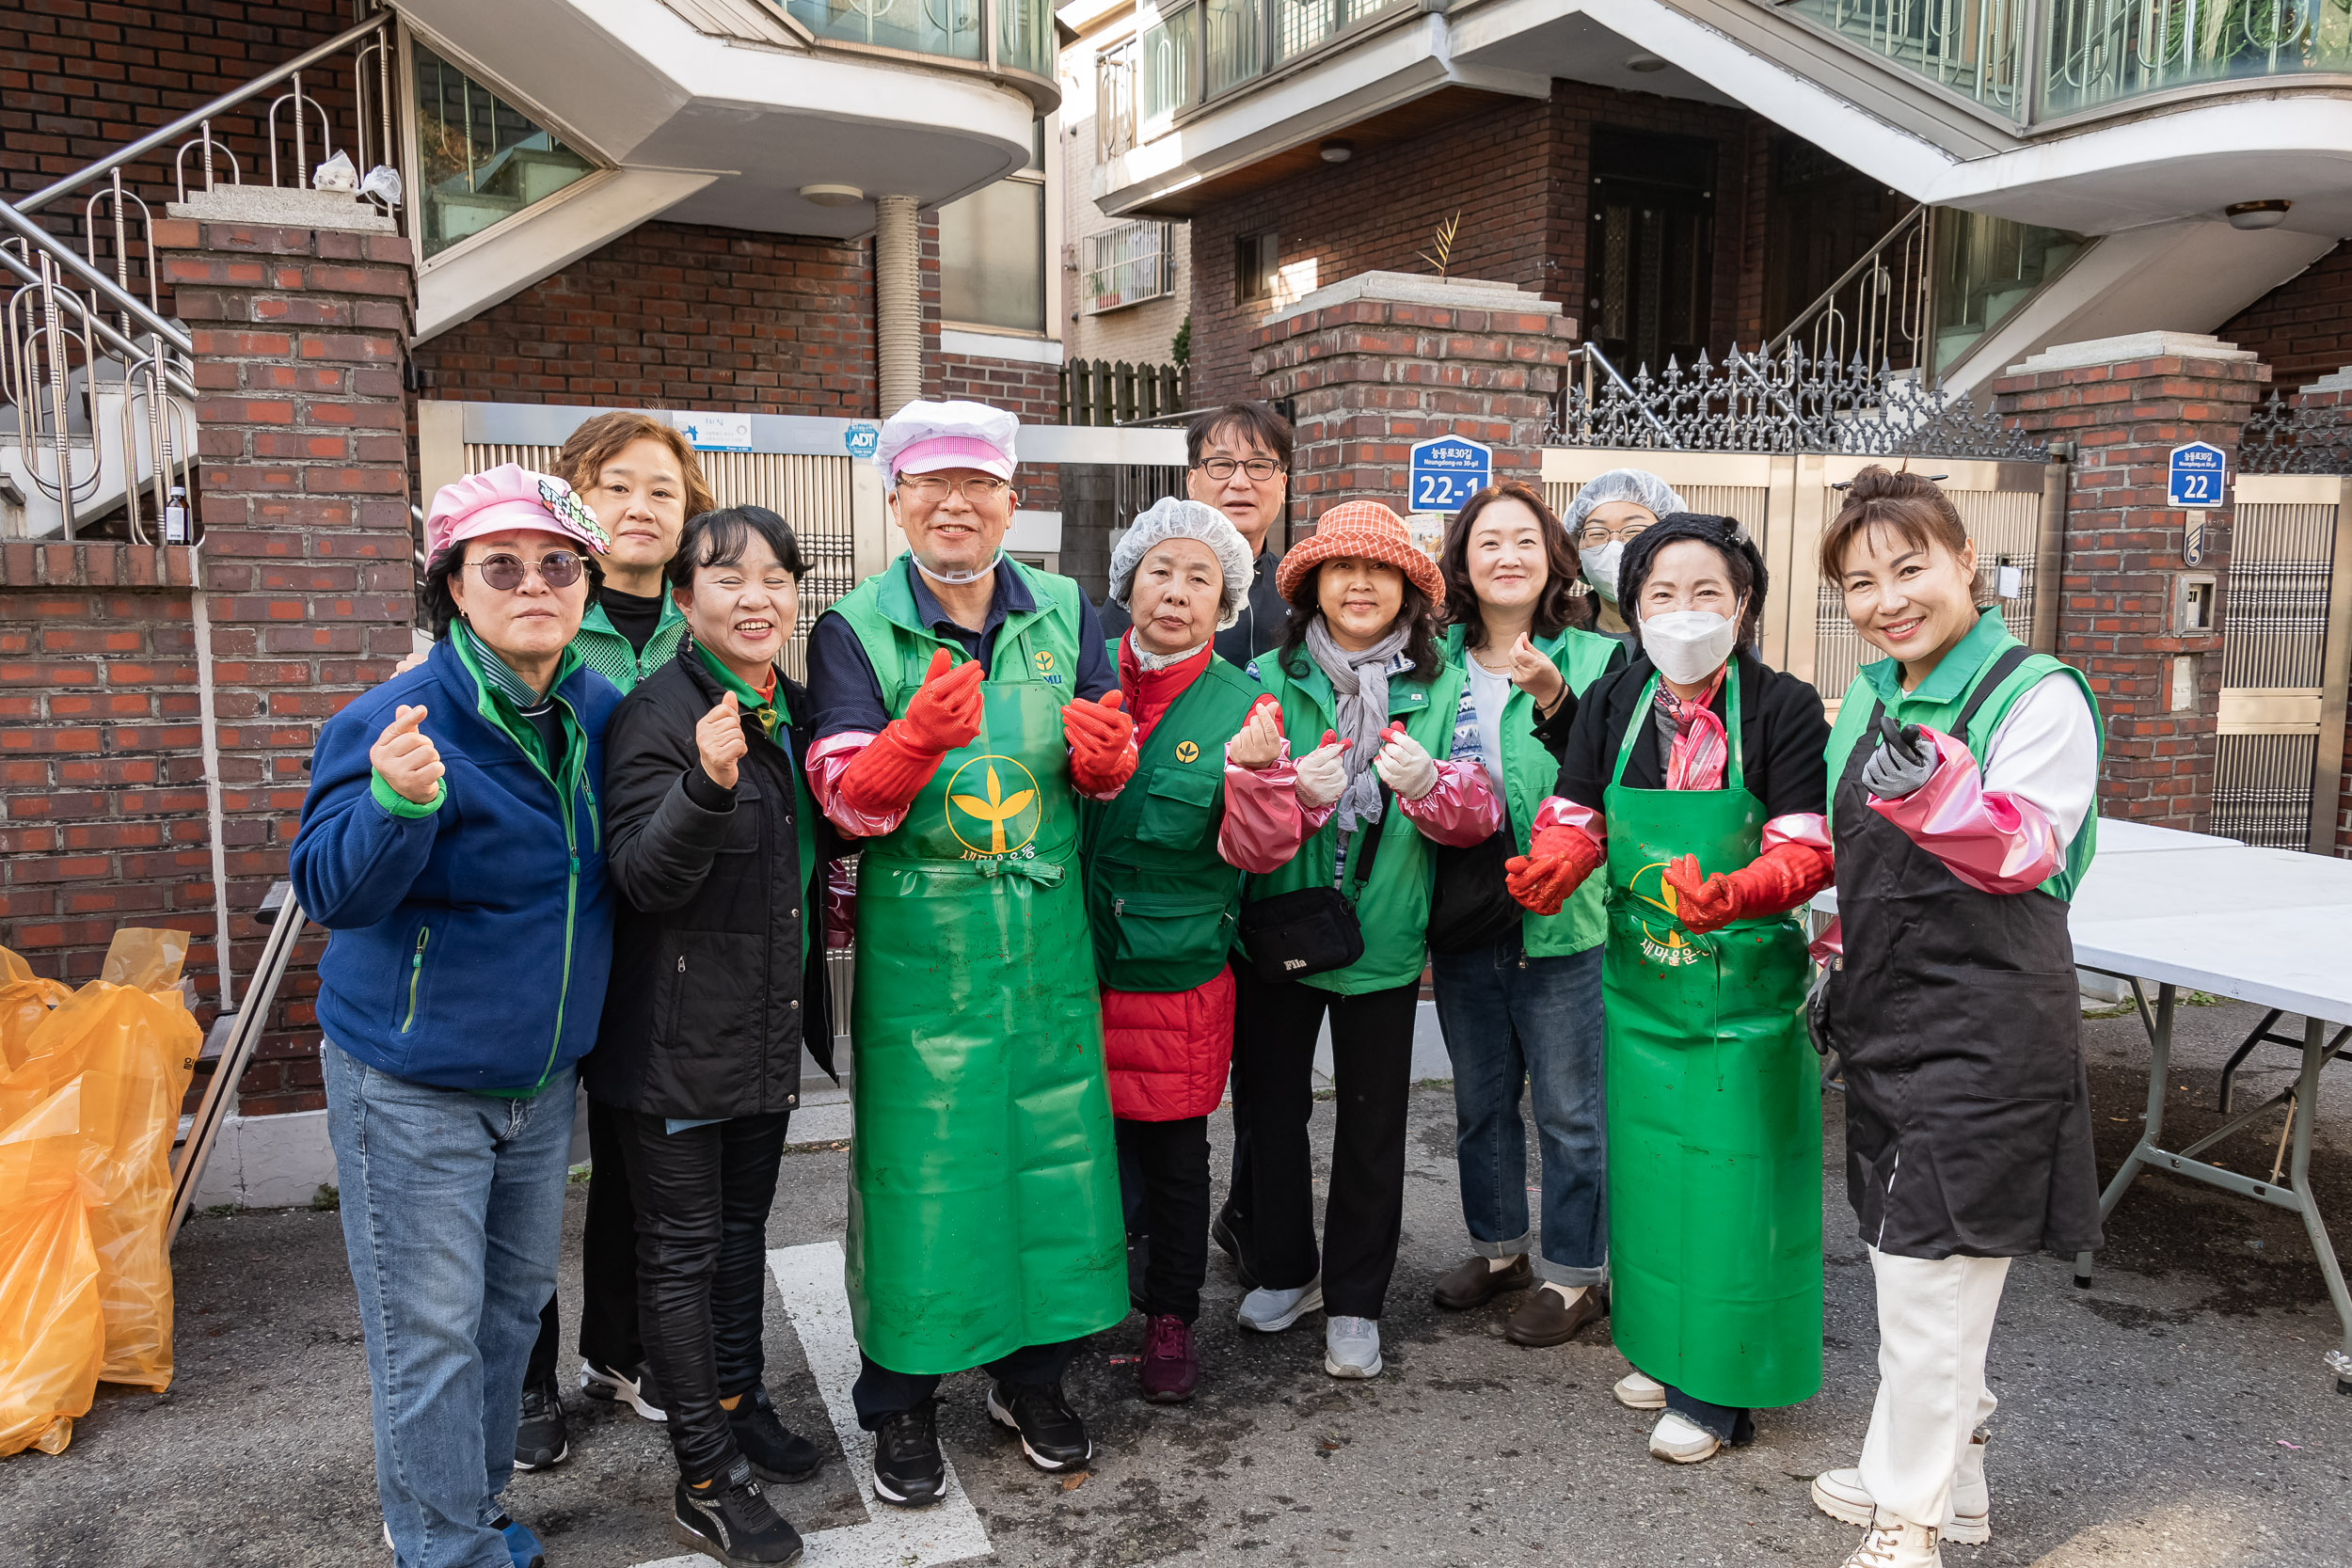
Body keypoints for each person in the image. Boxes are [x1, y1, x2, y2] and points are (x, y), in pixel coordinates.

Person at [802, 400, 1136, 1505]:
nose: (957, 503)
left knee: (1048, 1154)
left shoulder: (1064, 608)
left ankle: (1029, 1373)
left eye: (980, 484)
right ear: (896, 497)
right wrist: (908, 745)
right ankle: (898, 1397)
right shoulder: (851, 625)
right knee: (922, 1171)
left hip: (1043, 943)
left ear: (1011, 498)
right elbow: (845, 798)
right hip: (923, 951)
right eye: (932, 483)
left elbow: (1096, 744)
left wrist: (1104, 761)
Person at [291, 465, 621, 1568]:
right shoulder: (393, 717)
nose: (533, 583)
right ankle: (441, 1543)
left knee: (509, 1311)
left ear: (584, 586)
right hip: (412, 1082)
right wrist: (395, 802)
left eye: (556, 565)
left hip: (540, 1079)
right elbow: (330, 892)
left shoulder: (597, 709)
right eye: (502, 566)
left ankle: (462, 1505)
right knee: (427, 1330)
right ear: (454, 589)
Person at [1804, 468, 2103, 1568]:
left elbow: (2025, 846)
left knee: (1932, 1273)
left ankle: (1909, 1517)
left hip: (1987, 1026)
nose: (1888, 598)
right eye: (1860, 581)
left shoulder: (2038, 693)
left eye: (1909, 567)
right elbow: (1854, 864)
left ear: (1965, 558)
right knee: (1904, 1257)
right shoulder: (1874, 694)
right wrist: (1817, 946)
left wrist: (1935, 792)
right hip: (1888, 1015)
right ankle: (1953, 1477)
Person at [1507, 512, 1832, 1464]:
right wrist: (1558, 863)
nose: (1682, 612)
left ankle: (1719, 1384)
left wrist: (1742, 890)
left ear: (1743, 605)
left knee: (1731, 1186)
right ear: (1631, 605)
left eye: (1707, 593)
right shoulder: (1613, 700)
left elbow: (1805, 843)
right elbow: (1575, 809)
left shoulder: (1783, 707)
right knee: (1651, 1176)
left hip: (1744, 1000)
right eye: (1661, 594)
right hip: (1645, 986)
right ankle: (1660, 1341)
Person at [592, 506, 843, 1562]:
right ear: (685, 601)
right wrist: (704, 783)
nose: (757, 597)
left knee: (745, 1238)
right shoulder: (656, 712)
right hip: (674, 1043)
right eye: (727, 578)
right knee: (684, 1256)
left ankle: (738, 1405)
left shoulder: (788, 706)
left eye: (777, 578)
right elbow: (643, 876)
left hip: (759, 1027)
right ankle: (705, 1472)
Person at [1221, 499, 1501, 1380]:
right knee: (1271, 1113)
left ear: (1409, 592)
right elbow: (1236, 828)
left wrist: (1429, 786)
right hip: (1277, 935)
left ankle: (1354, 1299)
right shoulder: (1265, 677)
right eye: (1341, 570)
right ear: (1311, 587)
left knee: (1374, 1128)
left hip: (1384, 940)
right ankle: (1286, 1269)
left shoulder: (1444, 684)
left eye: (1380, 572)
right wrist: (1279, 790)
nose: (1360, 585)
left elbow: (1479, 815)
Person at [517, 411, 716, 1471]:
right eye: (618, 486)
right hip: (557, 932)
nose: (641, 509)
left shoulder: (702, 625)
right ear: (575, 499)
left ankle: (620, 1350)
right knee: (536, 1163)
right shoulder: (544, 613)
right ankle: (525, 1376)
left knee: (642, 1163)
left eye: (664, 492)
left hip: (670, 935)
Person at [1082, 497, 1314, 1403]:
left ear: (1226, 603)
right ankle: (1082, 1307)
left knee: (1176, 1161)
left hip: (1176, 974)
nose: (1176, 592)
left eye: (1200, 579)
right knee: (1078, 1154)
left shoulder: (1243, 706)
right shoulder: (1080, 675)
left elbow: (1260, 852)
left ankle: (1171, 1316)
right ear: (1128, 582)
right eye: (1160, 572)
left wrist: (1259, 778)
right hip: (1069, 967)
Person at [1425, 482, 1625, 1346]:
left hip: (1567, 916)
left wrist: (1551, 695)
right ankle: (1499, 1245)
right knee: (1481, 1099)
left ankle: (1578, 1273)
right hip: (1466, 913)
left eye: (1525, 542)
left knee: (1571, 1110)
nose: (1507, 556)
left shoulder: (1600, 660)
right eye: (1487, 542)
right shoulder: (1430, 660)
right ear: (1463, 562)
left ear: (1553, 560)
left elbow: (1620, 774)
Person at [1102, 401, 1292, 662]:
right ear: (1192, 483)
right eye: (1222, 464)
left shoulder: (1297, 591)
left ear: (1282, 487)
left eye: (1259, 466)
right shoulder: (1149, 585)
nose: (1239, 482)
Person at [1558, 468, 1687, 647]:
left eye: (1634, 531)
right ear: (1577, 552)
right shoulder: (1558, 636)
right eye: (1597, 533)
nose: (1614, 547)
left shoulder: (1692, 632)